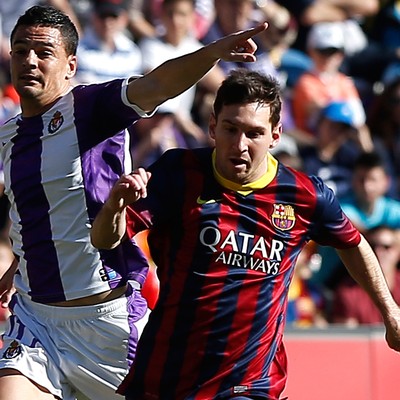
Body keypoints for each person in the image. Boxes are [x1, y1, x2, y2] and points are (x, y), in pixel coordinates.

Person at [0, 5, 267, 400]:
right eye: (20, 50)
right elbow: (38, 212)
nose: (29, 61)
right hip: (35, 320)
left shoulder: (92, 109)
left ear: (70, 65)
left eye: (43, 52)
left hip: (104, 324)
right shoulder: (9, 135)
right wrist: (19, 266)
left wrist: (211, 52)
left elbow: (158, 84)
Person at [91, 69, 400, 400]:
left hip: (249, 382)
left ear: (276, 135)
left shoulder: (305, 195)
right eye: (230, 129)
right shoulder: (179, 172)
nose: (239, 145)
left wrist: (390, 311)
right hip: (167, 375)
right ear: (213, 126)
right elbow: (104, 240)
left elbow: (353, 244)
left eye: (254, 133)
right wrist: (114, 208)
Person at [332, 225, 400, 326]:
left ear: (398, 251)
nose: (378, 252)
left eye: (386, 247)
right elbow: (348, 337)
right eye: (372, 247)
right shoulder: (348, 291)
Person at [74, 0, 143, 84]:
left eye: (113, 17)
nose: (107, 23)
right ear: (93, 17)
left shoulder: (133, 52)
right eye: (103, 16)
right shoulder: (77, 49)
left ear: (123, 19)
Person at [340, 151, 400, 232]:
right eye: (361, 180)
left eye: (373, 180)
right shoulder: (340, 210)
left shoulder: (396, 211)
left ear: (386, 181)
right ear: (353, 180)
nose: (367, 187)